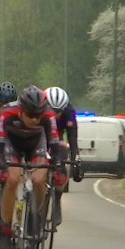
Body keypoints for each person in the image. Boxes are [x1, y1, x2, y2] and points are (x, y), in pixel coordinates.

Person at [0, 85, 62, 249]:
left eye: (39, 115)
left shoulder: (48, 115)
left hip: (36, 143)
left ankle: (36, 218)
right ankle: (6, 229)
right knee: (13, 179)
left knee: (39, 180)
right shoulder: (7, 113)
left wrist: (57, 163)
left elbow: (54, 145)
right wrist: (2, 164)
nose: (35, 120)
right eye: (31, 115)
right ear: (21, 109)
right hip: (12, 144)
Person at [44, 86, 80, 225]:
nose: (56, 114)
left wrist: (75, 157)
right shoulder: (39, 109)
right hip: (41, 134)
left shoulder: (69, 111)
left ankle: (57, 202)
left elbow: (72, 137)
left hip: (57, 136)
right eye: (53, 110)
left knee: (62, 152)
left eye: (59, 111)